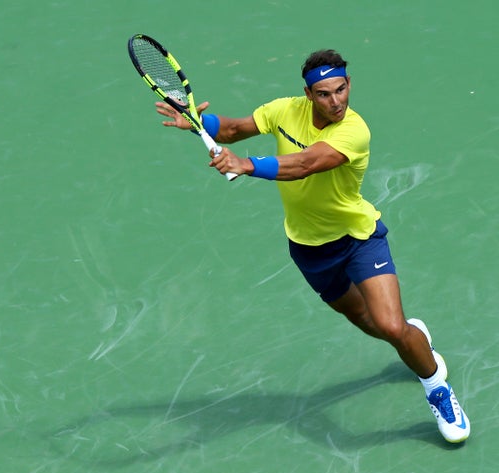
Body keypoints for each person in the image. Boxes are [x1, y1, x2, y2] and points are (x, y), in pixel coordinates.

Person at [155, 49, 470, 443]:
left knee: (390, 325)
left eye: (341, 90)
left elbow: (305, 164)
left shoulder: (354, 131)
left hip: (358, 239)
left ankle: (437, 387)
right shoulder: (283, 110)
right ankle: (415, 337)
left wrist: (246, 165)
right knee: (370, 323)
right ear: (308, 94)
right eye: (324, 94)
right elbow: (233, 130)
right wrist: (196, 121)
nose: (336, 101)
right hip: (309, 248)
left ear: (349, 84)